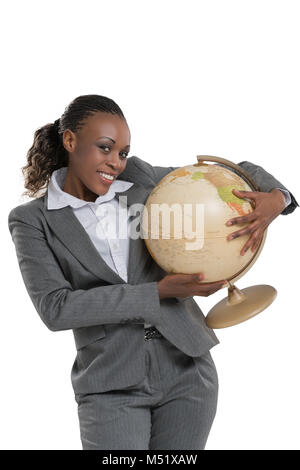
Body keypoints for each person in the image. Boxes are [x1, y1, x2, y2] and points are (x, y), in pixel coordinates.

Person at [8, 94, 299, 450]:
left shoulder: (140, 180)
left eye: (123, 153)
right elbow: (56, 308)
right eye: (105, 148)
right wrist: (157, 293)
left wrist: (277, 198)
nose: (115, 163)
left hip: (188, 368)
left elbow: (230, 172)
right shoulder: (32, 220)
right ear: (70, 141)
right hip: (111, 384)